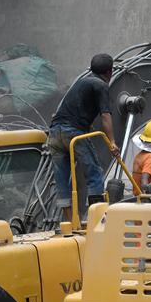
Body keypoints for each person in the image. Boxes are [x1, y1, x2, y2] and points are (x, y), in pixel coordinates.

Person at [46, 53, 119, 221]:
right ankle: (95, 218)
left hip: (55, 133)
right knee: (94, 174)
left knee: (62, 179)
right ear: (109, 72)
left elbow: (74, 108)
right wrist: (112, 142)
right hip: (73, 133)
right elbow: (105, 115)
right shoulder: (101, 85)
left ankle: (70, 222)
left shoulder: (81, 82)